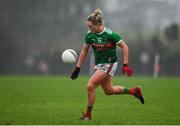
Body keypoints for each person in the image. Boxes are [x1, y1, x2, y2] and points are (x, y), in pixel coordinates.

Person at [70, 8, 144, 120]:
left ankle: (88, 115)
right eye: (88, 26)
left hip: (109, 63)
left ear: (98, 24)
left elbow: (125, 47)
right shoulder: (89, 35)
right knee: (109, 91)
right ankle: (134, 91)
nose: (88, 28)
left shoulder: (110, 34)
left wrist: (126, 64)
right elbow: (84, 51)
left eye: (90, 26)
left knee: (90, 86)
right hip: (99, 65)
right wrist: (77, 67)